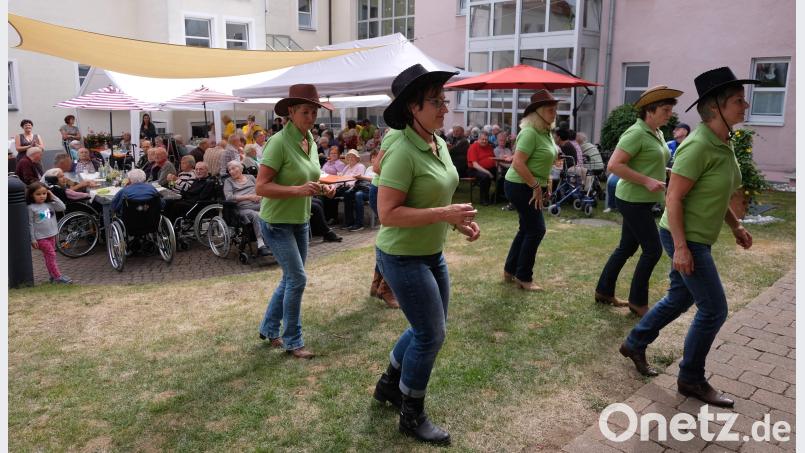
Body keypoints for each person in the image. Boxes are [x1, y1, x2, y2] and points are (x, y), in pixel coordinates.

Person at [620, 67, 758, 408]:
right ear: (716, 107)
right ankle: (691, 378)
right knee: (713, 309)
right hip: (686, 237)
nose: (745, 105)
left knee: (680, 298)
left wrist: (736, 226)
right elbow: (674, 198)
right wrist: (681, 247)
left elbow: (717, 193)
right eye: (738, 100)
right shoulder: (696, 146)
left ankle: (635, 342)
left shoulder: (724, 143)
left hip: (696, 237)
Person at [372, 64, 479, 446]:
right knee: (431, 334)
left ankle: (389, 384)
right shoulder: (402, 150)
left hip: (431, 252)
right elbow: (388, 213)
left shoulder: (437, 142)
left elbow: (435, 196)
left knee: (427, 329)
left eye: (444, 100)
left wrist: (457, 222)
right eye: (436, 101)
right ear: (412, 108)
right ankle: (411, 413)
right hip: (402, 256)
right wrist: (444, 214)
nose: (444, 108)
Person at [255, 83, 336, 360]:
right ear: (290, 112)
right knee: (298, 278)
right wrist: (298, 190)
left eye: (314, 112)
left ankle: (269, 328)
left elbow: (309, 176)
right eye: (305, 112)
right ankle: (292, 340)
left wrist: (323, 186)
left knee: (291, 278)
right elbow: (261, 187)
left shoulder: (309, 139)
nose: (311, 117)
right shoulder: (278, 142)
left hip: (300, 219)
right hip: (277, 222)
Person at [595, 85, 682, 317]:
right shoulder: (635, 133)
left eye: (670, 110)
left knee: (627, 247)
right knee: (652, 250)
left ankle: (604, 291)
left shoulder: (657, 132)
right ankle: (637, 302)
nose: (669, 114)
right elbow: (614, 165)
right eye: (665, 110)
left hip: (642, 200)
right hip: (632, 199)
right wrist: (646, 180)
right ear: (649, 110)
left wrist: (664, 171)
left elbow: (647, 160)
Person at [503, 90, 559, 292]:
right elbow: (518, 163)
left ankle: (510, 270)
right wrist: (536, 186)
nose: (554, 113)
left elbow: (544, 161)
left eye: (555, 109)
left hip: (531, 185)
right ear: (538, 112)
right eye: (550, 109)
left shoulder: (545, 133)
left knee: (527, 228)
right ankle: (523, 276)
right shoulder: (530, 133)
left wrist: (547, 182)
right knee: (536, 229)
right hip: (521, 185)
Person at [224, 160, 271, 256]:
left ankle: (275, 240)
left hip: (260, 204)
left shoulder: (250, 177)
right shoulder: (228, 181)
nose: (231, 171)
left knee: (273, 210)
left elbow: (259, 189)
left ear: (241, 168)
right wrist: (249, 197)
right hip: (242, 209)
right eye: (229, 170)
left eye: (233, 168)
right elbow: (229, 197)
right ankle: (261, 244)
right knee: (256, 215)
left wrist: (260, 195)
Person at [27, 182, 71, 284]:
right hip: (40, 238)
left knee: (48, 256)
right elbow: (30, 224)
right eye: (38, 194)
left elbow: (62, 207)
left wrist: (52, 195)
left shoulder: (50, 204)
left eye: (44, 193)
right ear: (31, 195)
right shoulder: (31, 208)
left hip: (52, 235)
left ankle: (52, 276)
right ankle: (58, 277)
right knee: (51, 255)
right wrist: (33, 239)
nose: (42, 196)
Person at [345, 149, 378, 232]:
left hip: (374, 191)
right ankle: (350, 222)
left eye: (376, 157)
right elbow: (364, 182)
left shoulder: (381, 169)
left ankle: (359, 223)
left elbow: (376, 180)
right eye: (372, 157)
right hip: (365, 189)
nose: (374, 159)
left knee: (358, 194)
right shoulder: (369, 168)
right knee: (350, 193)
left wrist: (362, 177)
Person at [333, 149, 366, 229]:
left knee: (347, 194)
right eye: (349, 157)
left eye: (353, 157)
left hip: (353, 188)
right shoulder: (347, 167)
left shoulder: (360, 166)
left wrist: (345, 183)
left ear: (357, 158)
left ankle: (349, 221)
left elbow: (358, 180)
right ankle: (332, 218)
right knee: (330, 193)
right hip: (344, 187)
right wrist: (334, 186)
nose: (350, 158)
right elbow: (341, 178)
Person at [466, 132, 497, 205]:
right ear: (478, 139)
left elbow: (494, 159)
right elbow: (475, 165)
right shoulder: (473, 147)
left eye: (486, 139)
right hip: (474, 170)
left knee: (502, 176)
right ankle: (484, 199)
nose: (484, 141)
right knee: (485, 177)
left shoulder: (489, 147)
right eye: (482, 139)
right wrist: (488, 173)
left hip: (490, 168)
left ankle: (496, 197)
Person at [493, 131, 514, 209]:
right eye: (501, 140)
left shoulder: (508, 150)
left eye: (504, 141)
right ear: (497, 141)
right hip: (500, 171)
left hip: (509, 169)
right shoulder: (496, 150)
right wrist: (511, 166)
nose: (502, 142)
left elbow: (511, 160)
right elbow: (499, 162)